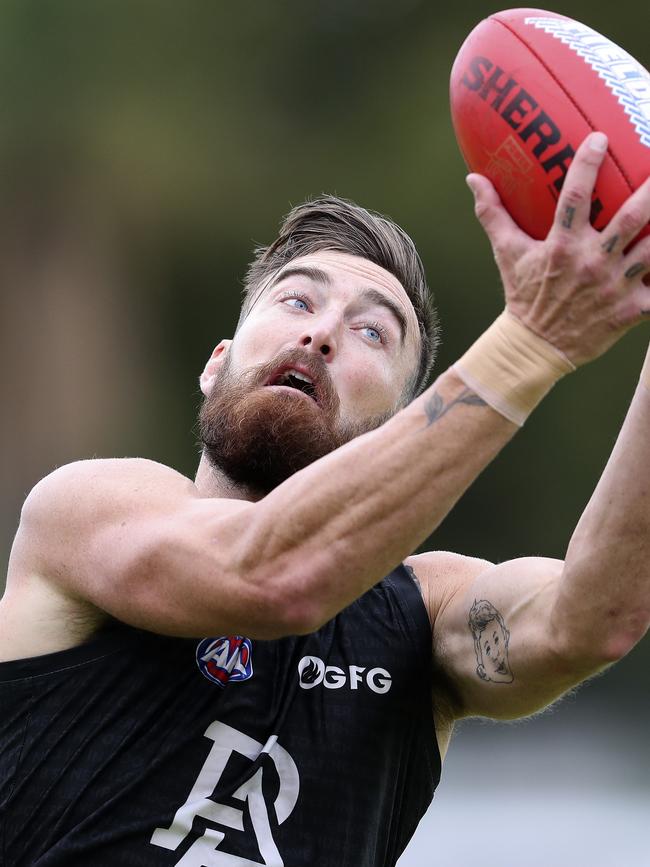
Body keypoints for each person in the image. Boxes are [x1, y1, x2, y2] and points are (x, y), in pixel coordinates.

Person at [0, 131, 648, 866]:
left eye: (373, 330)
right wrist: (528, 344)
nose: (321, 332)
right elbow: (266, 575)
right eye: (298, 298)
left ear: (403, 430)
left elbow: (592, 619)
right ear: (217, 365)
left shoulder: (424, 613)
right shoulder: (88, 508)